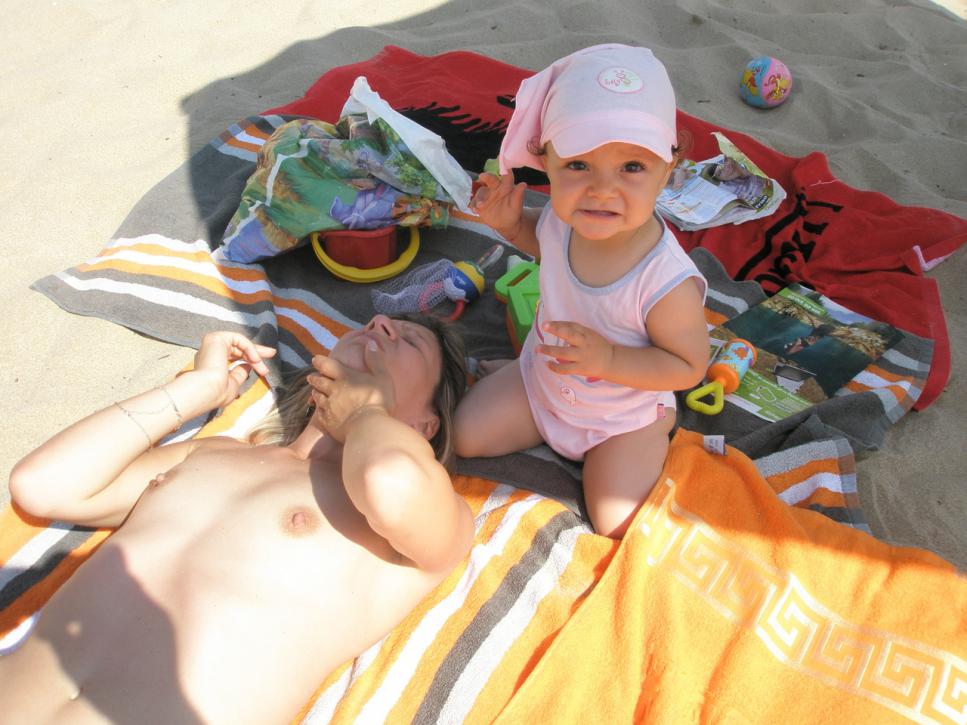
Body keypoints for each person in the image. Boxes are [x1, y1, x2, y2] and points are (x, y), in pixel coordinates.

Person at [2, 313, 472, 724]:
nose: (378, 323)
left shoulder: (426, 521)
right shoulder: (214, 453)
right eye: (372, 323)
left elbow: (391, 486)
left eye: (410, 341)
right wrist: (196, 389)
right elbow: (43, 485)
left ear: (425, 425)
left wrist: (367, 413)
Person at [454, 44, 709, 538]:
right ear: (545, 161)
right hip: (543, 382)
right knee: (464, 436)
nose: (601, 189)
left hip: (623, 419)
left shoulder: (664, 281)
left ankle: (651, 437)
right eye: (578, 166)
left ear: (668, 170)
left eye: (631, 167)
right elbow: (541, 240)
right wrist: (509, 224)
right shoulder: (562, 219)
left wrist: (609, 360)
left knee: (615, 521)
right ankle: (516, 369)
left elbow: (687, 365)